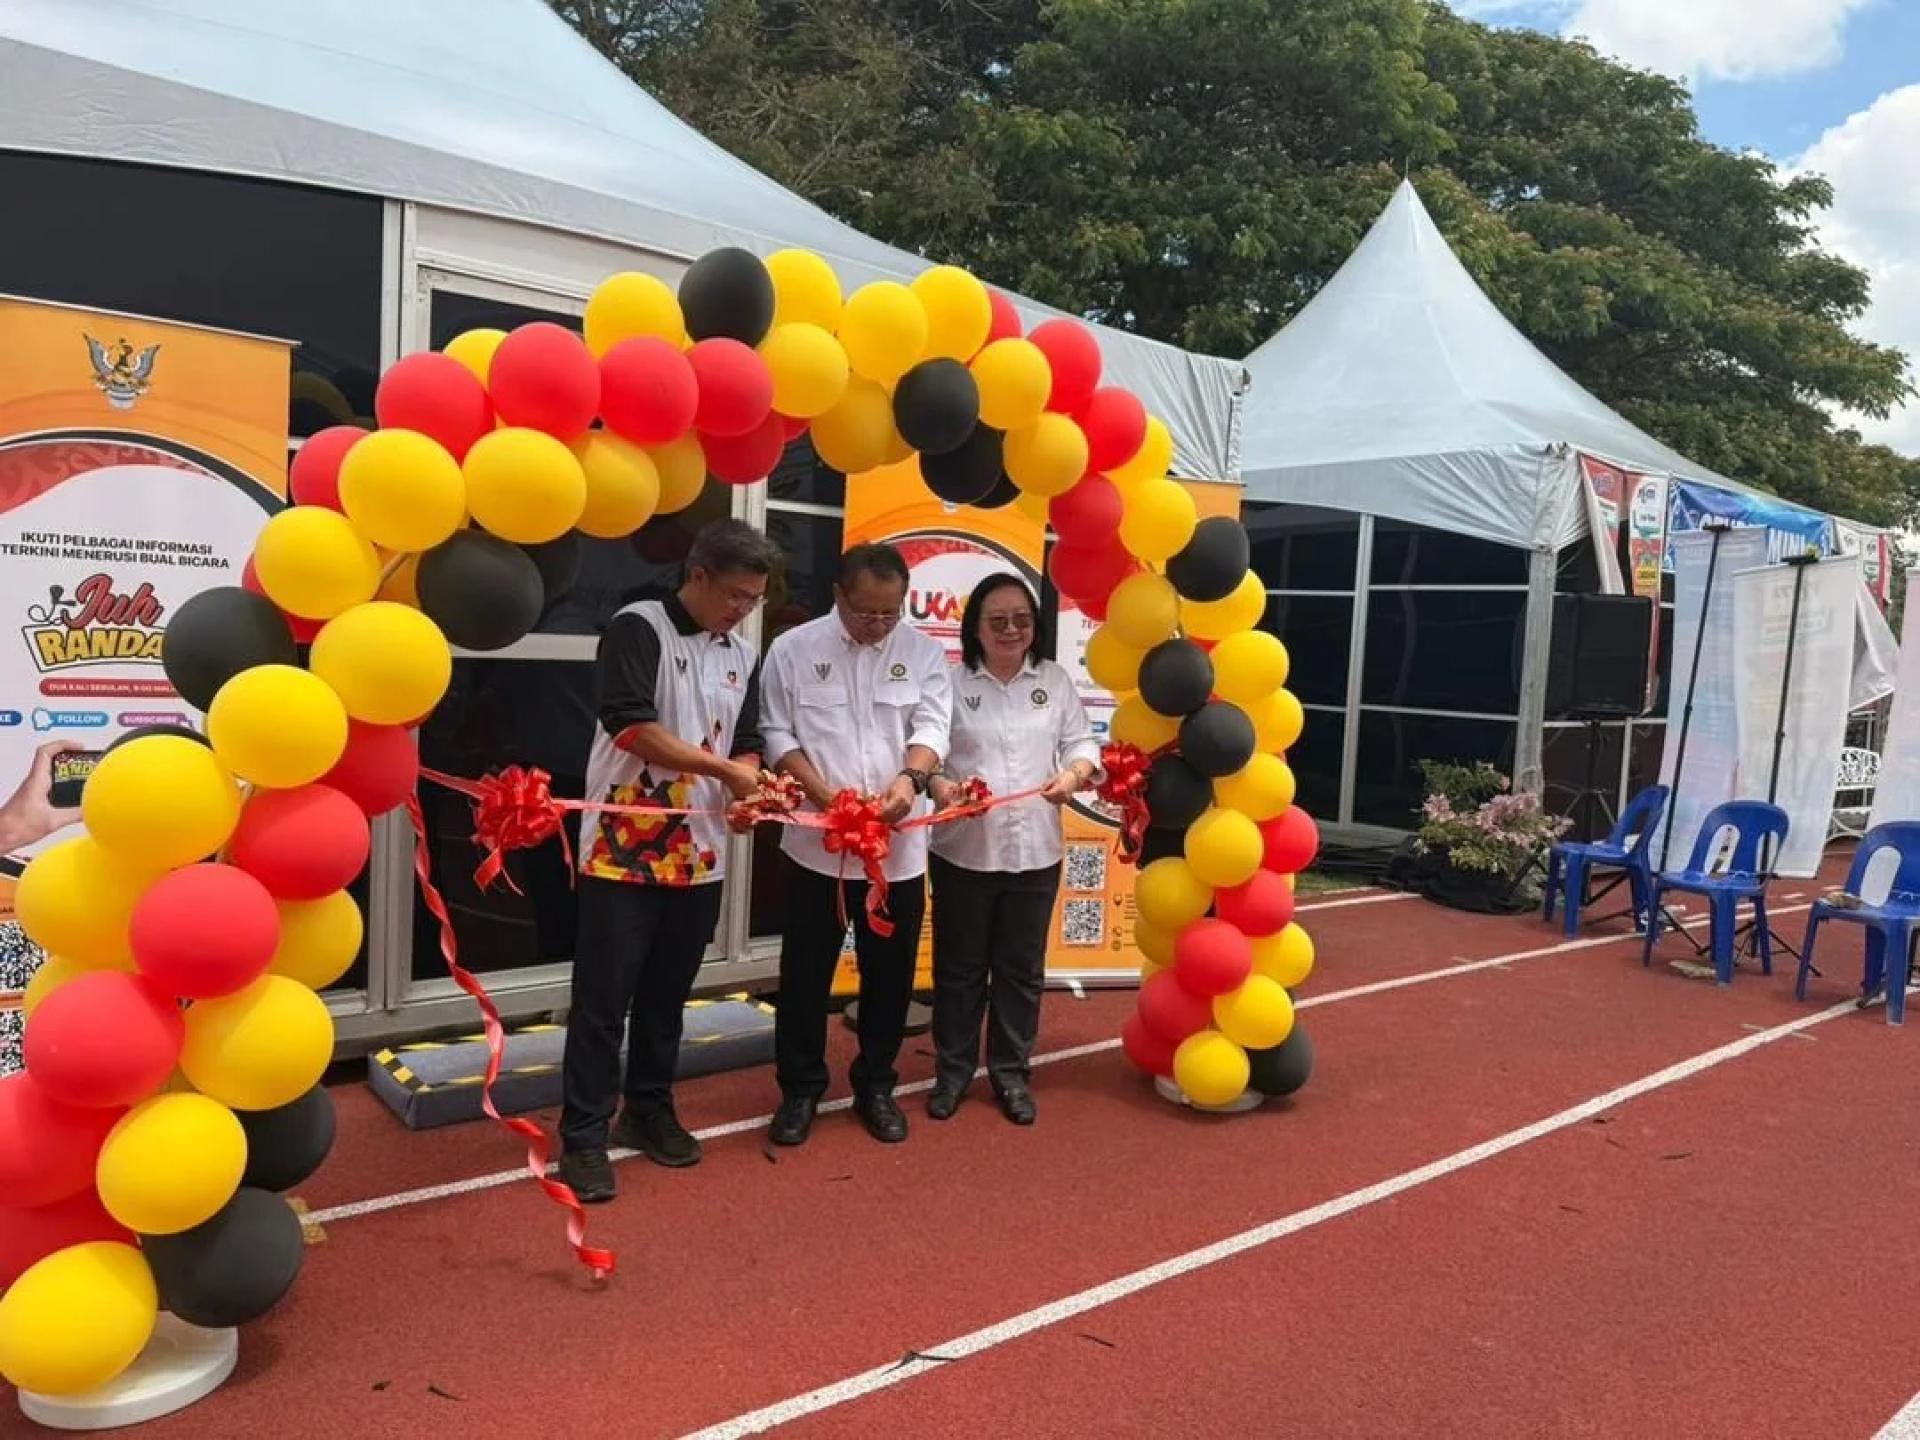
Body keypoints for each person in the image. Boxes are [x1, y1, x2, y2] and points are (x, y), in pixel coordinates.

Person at [557, 519, 779, 1204]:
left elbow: (746, 737)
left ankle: (648, 1109)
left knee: (667, 996)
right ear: (698, 575)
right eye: (734, 595)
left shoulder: (741, 652)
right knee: (603, 1000)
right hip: (623, 845)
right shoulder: (639, 627)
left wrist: (746, 785)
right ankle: (584, 1136)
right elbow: (629, 724)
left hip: (701, 851)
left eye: (754, 599)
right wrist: (726, 772)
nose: (742, 610)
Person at [760, 543, 952, 1145]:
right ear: (838, 595)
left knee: (889, 976)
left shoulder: (922, 652)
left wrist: (910, 780)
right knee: (804, 975)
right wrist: (822, 795)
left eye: (890, 613)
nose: (878, 625)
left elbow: (932, 726)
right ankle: (800, 1090)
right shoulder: (793, 649)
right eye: (866, 613)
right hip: (816, 847)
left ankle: (876, 1085)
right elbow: (776, 731)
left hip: (896, 850)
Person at [925, 575, 1098, 1125]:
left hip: (1036, 853)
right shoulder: (950, 684)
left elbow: (1081, 742)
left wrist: (1074, 774)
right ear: (974, 627)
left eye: (1021, 619)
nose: (1010, 630)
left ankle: (1010, 1073)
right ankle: (952, 1073)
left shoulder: (1054, 681)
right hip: (964, 853)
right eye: (997, 620)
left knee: (1021, 971)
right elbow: (929, 757)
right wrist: (942, 789)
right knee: (959, 970)